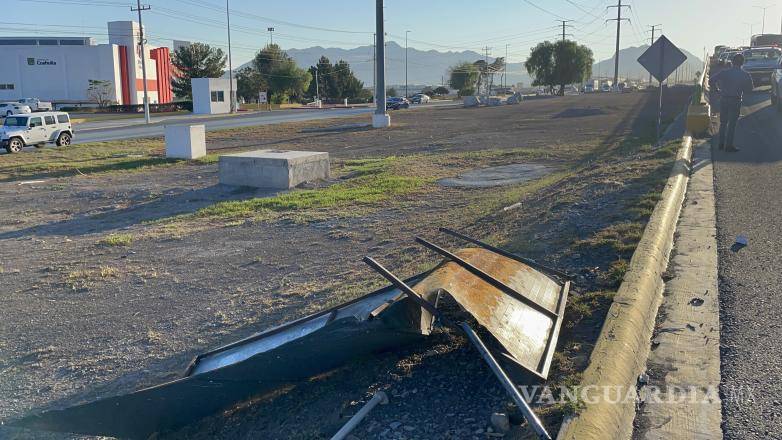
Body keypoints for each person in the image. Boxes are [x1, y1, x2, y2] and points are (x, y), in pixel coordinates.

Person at [709, 53, 754, 152]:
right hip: (736, 100)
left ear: (732, 62)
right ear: (742, 63)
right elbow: (750, 89)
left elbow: (711, 81)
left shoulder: (724, 72)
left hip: (724, 99)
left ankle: (721, 144)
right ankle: (728, 146)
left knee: (723, 122)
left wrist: (717, 90)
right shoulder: (745, 75)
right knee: (732, 124)